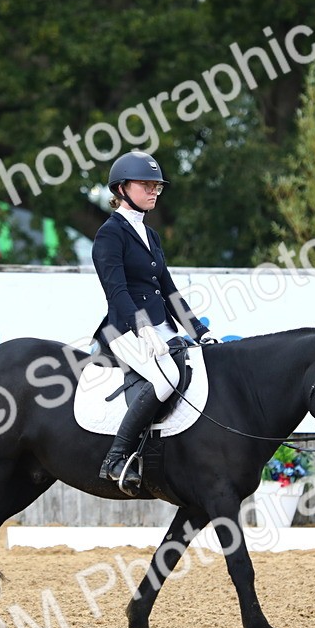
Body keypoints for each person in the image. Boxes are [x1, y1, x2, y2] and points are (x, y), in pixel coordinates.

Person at [90, 150, 217, 490]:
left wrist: (200, 332)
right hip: (124, 329)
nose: (153, 192)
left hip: (161, 328)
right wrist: (143, 326)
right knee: (166, 379)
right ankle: (116, 459)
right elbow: (115, 291)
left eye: (156, 187)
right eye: (145, 185)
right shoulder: (109, 234)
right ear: (121, 189)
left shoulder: (151, 235)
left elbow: (170, 291)